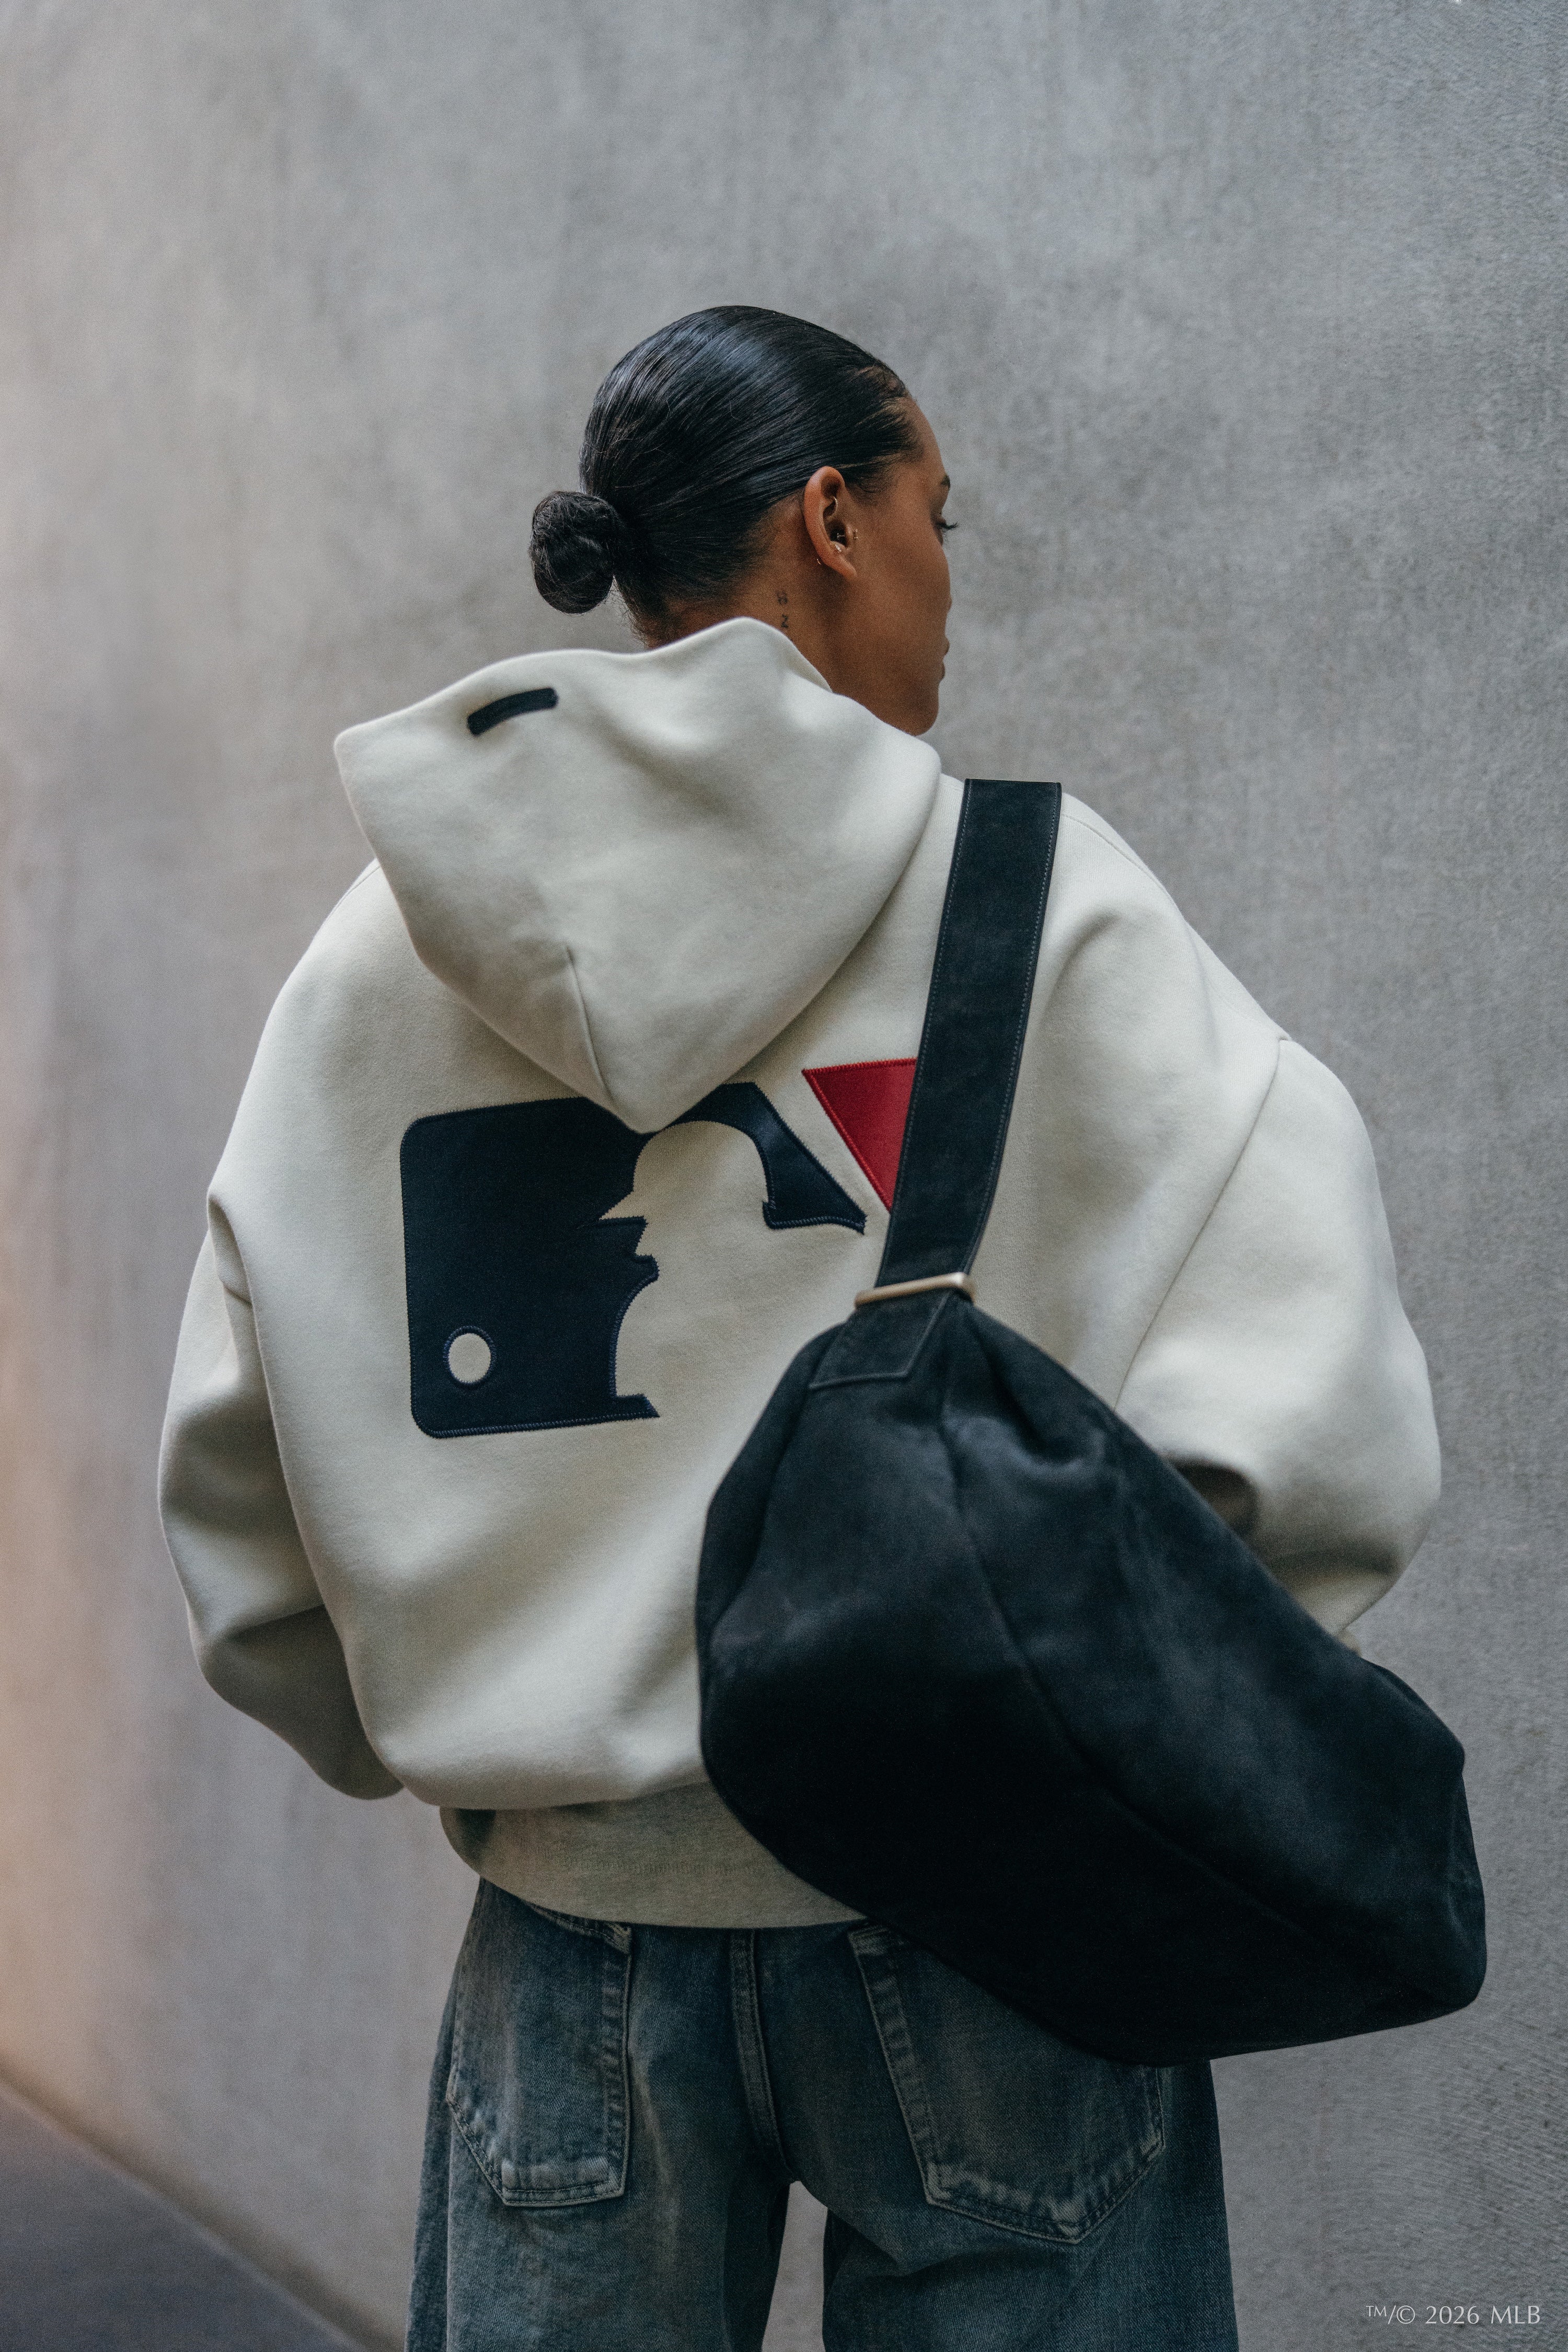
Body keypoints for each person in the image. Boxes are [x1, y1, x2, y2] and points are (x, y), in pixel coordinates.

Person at [159, 307, 1440, 2351]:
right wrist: (1127, 1733)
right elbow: (1319, 1420)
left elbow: (239, 1483)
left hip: (568, 1948)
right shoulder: (1041, 900)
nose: (954, 579)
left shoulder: (379, 958)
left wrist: (497, 1729)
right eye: (944, 517)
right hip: (996, 1929)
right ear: (834, 520)